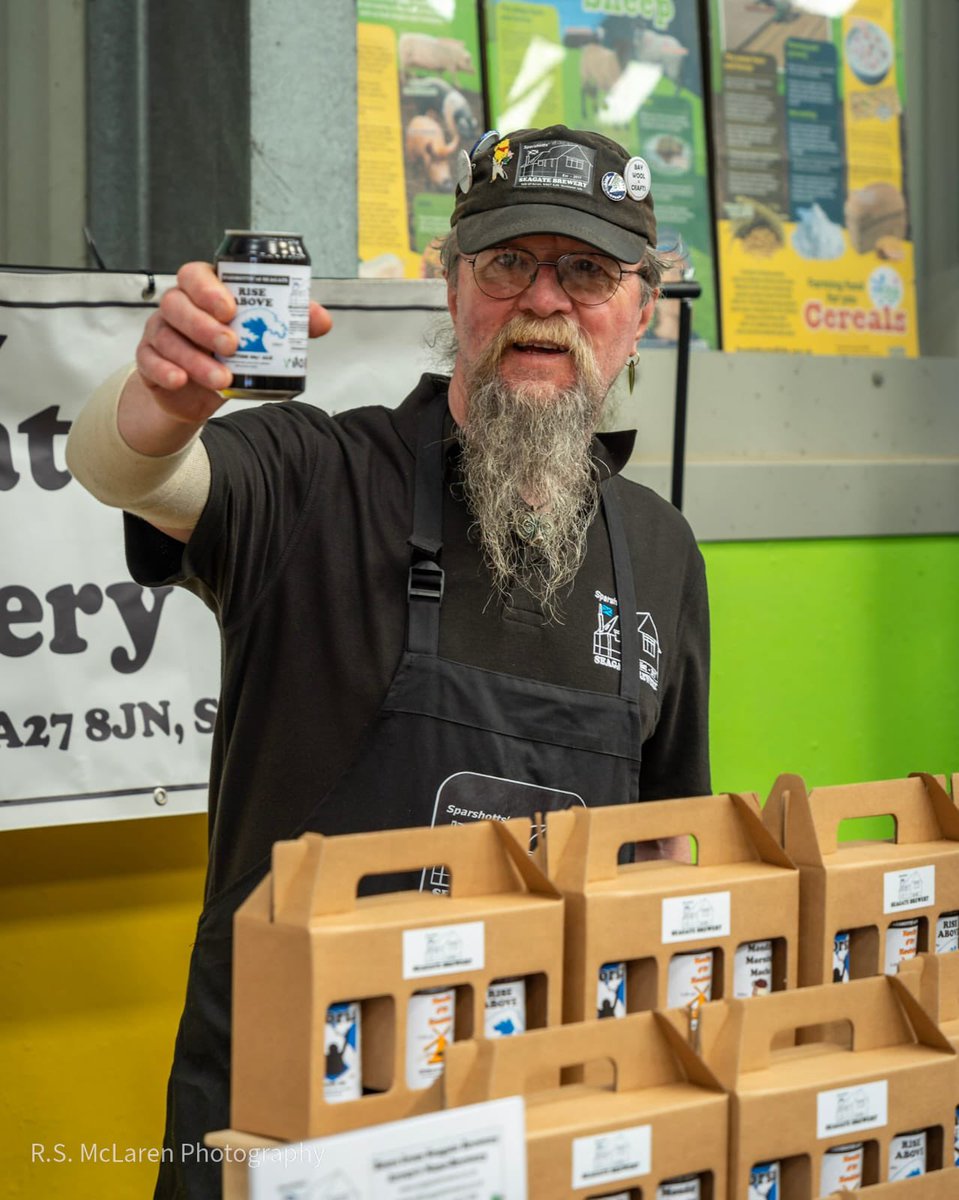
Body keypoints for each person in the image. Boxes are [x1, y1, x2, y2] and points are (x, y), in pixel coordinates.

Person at [66, 124, 710, 1199]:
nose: (543, 300)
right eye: (507, 262)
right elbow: (131, 469)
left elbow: (664, 864)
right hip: (282, 1136)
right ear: (451, 287)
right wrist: (162, 401)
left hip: (539, 1127)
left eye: (587, 271)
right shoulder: (317, 475)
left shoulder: (659, 552)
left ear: (640, 311)